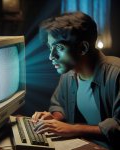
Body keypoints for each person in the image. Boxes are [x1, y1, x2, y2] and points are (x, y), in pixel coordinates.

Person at [31, 12, 120, 150]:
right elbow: (59, 106)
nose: (51, 56)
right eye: (50, 47)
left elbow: (118, 126)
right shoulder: (68, 75)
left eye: (59, 48)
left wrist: (73, 129)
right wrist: (54, 118)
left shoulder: (116, 73)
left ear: (83, 48)